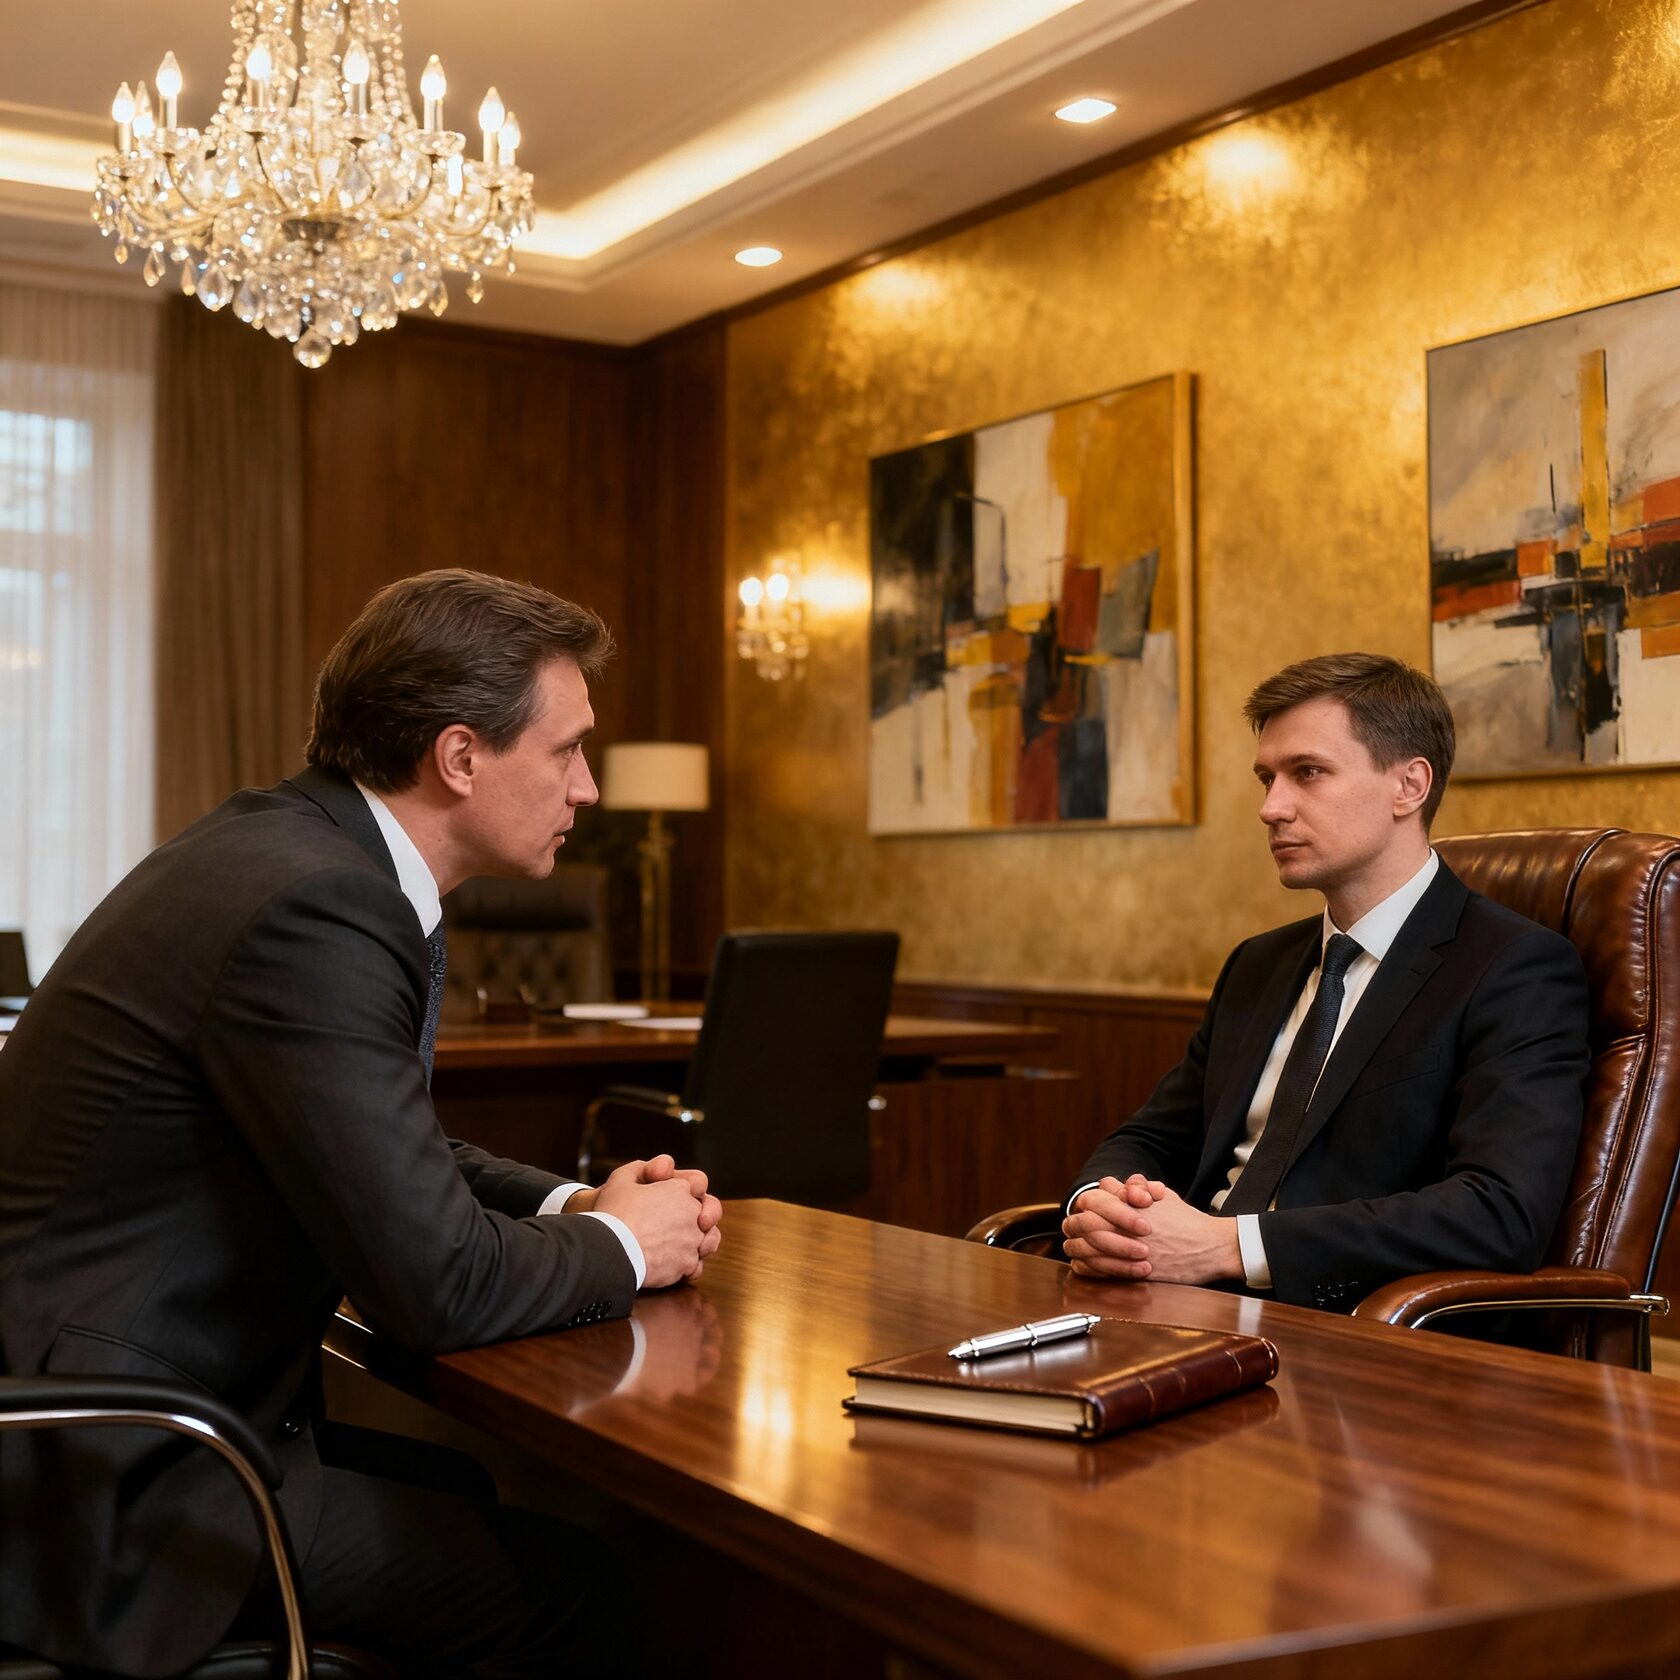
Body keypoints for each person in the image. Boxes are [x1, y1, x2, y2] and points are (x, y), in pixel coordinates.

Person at [0, 569, 720, 1677]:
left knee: (472, 1488)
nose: (587, 789)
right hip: (103, 1487)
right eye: (569, 750)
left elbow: (382, 1150)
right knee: (585, 1591)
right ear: (461, 756)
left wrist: (575, 1201)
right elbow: (437, 1288)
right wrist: (626, 1245)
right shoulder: (318, 903)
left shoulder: (294, 854)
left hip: (124, 1424)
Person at [1062, 652, 1589, 1312]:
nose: (1271, 808)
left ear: (1409, 786)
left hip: (1347, 1326)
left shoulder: (1515, 968)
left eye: (1307, 773)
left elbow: (1498, 1212)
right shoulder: (1258, 963)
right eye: (1267, 779)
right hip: (1170, 1298)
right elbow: (1155, 1137)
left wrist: (1230, 1247)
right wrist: (1101, 1208)